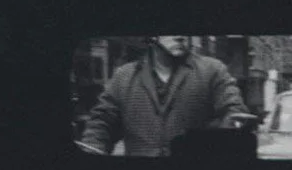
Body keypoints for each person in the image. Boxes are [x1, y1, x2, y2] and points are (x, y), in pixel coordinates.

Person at [75, 36, 250, 158]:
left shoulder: (212, 70)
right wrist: (93, 146)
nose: (181, 36)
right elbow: (103, 122)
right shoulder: (124, 76)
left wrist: (234, 121)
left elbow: (232, 106)